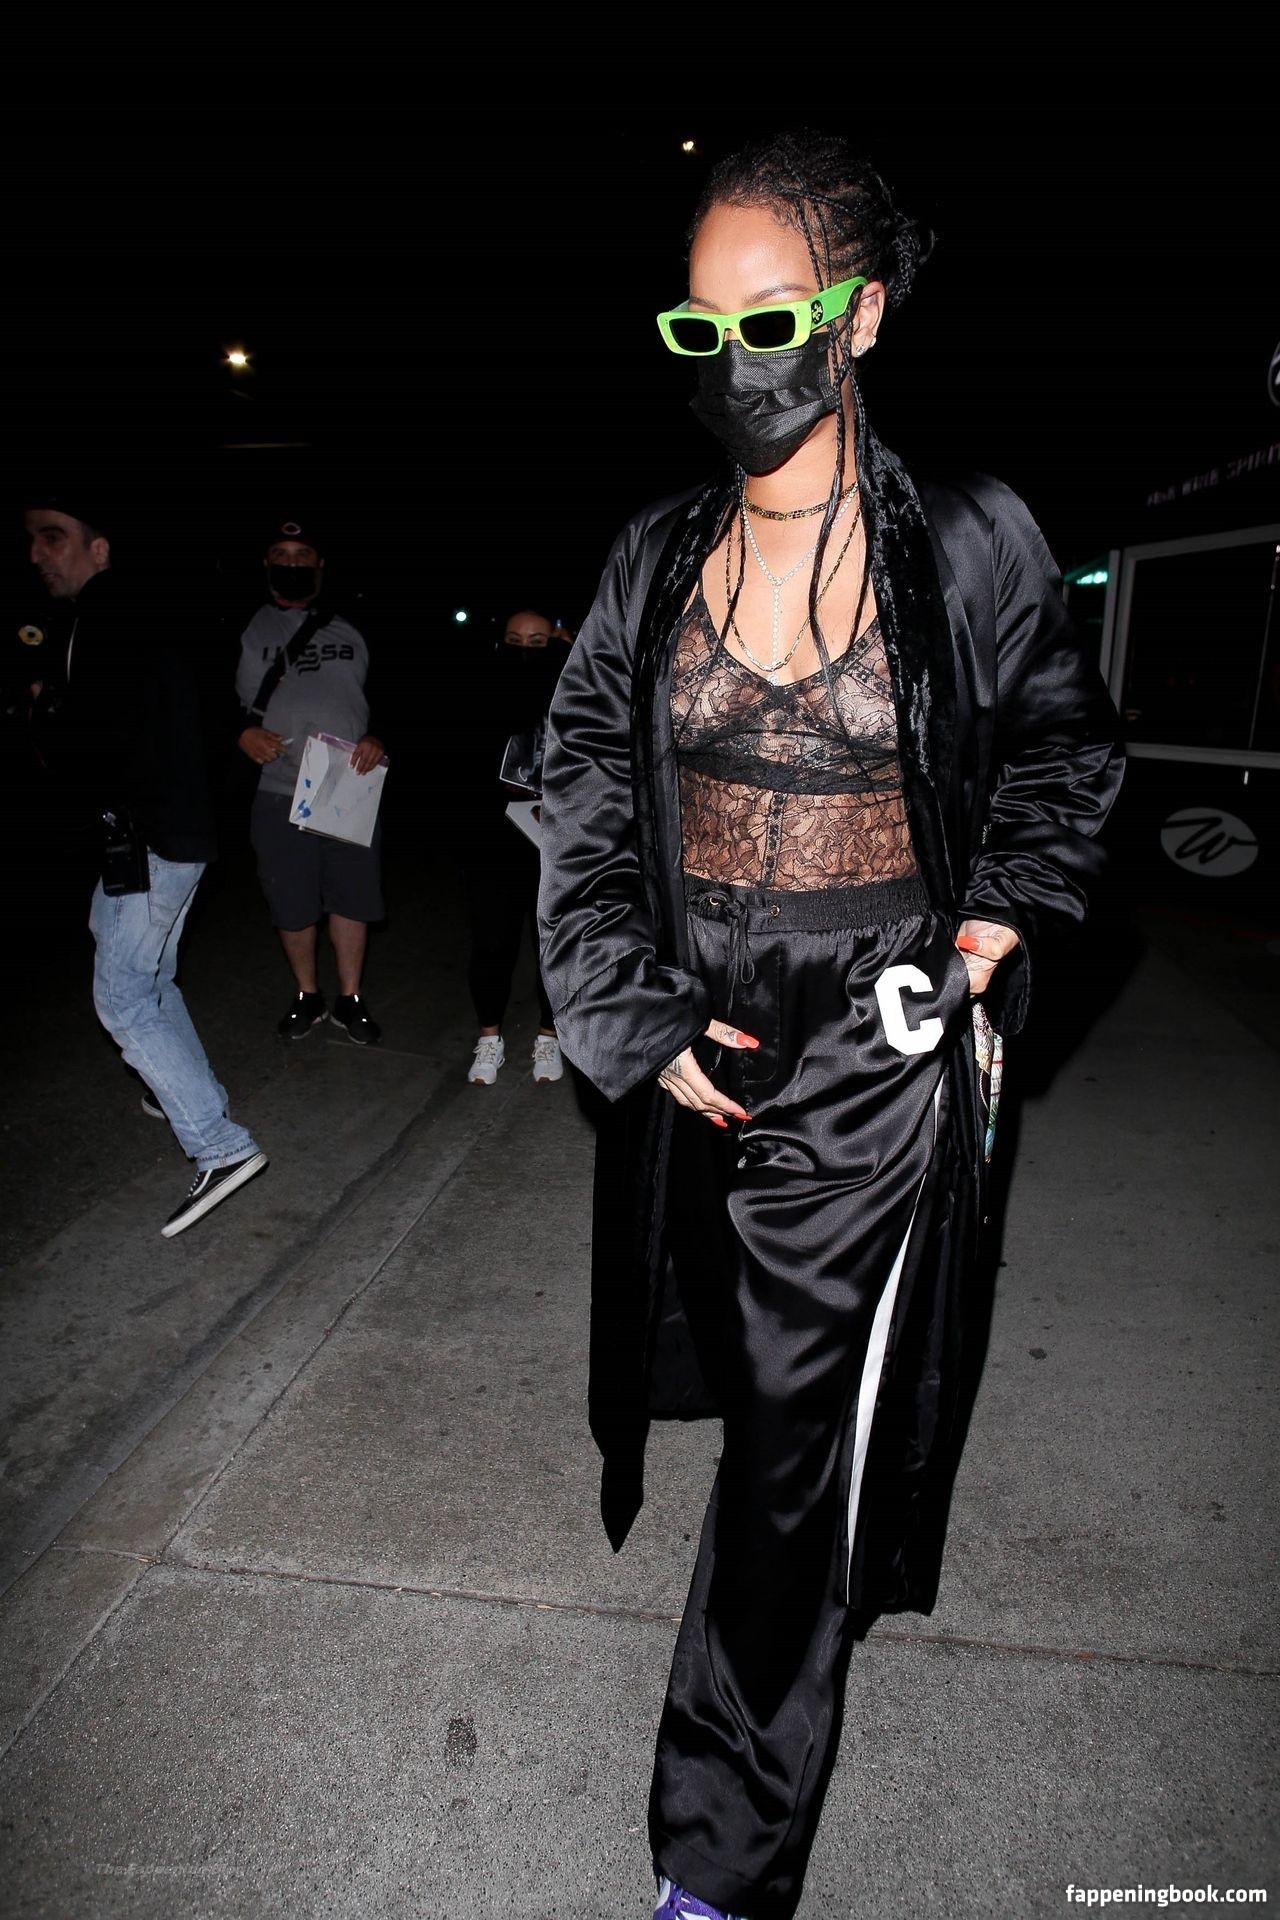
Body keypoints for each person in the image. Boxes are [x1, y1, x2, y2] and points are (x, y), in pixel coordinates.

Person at [536, 129, 1125, 1920]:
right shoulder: (656, 555)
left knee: (787, 1451)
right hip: (703, 1030)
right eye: (700, 328)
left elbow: (1065, 756)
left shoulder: (973, 539)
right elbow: (576, 787)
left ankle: (718, 1856)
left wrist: (991, 925)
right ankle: (825, 1535)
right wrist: (628, 1007)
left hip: (876, 1038)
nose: (741, 362)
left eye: (776, 317)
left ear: (859, 315)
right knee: (753, 1375)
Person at [22, 493, 268, 1239]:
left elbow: (104, 738)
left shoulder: (111, 616)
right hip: (163, 831)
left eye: (53, 537)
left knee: (122, 997)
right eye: (33, 540)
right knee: (144, 973)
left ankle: (219, 1146)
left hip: (150, 835)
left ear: (98, 548)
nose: (38, 553)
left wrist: (48, 712)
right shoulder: (132, 614)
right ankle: (185, 1092)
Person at [234, 518, 386, 1045]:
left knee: (351, 898)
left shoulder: (355, 620)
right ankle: (307, 995)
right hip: (278, 786)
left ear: (320, 564)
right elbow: (200, 696)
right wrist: (240, 732)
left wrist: (379, 736)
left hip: (349, 782)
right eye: (281, 554)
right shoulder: (244, 624)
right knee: (291, 901)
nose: (292, 564)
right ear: (266, 564)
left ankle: (350, 998)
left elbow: (391, 691)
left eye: (302, 555)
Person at [459, 606, 570, 1087]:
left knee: (553, 943)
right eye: (514, 641)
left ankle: (549, 1034)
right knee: (490, 942)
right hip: (492, 838)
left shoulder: (574, 693)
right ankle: (489, 1038)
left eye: (538, 644)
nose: (524, 652)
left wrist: (576, 661)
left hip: (555, 838)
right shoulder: (479, 688)